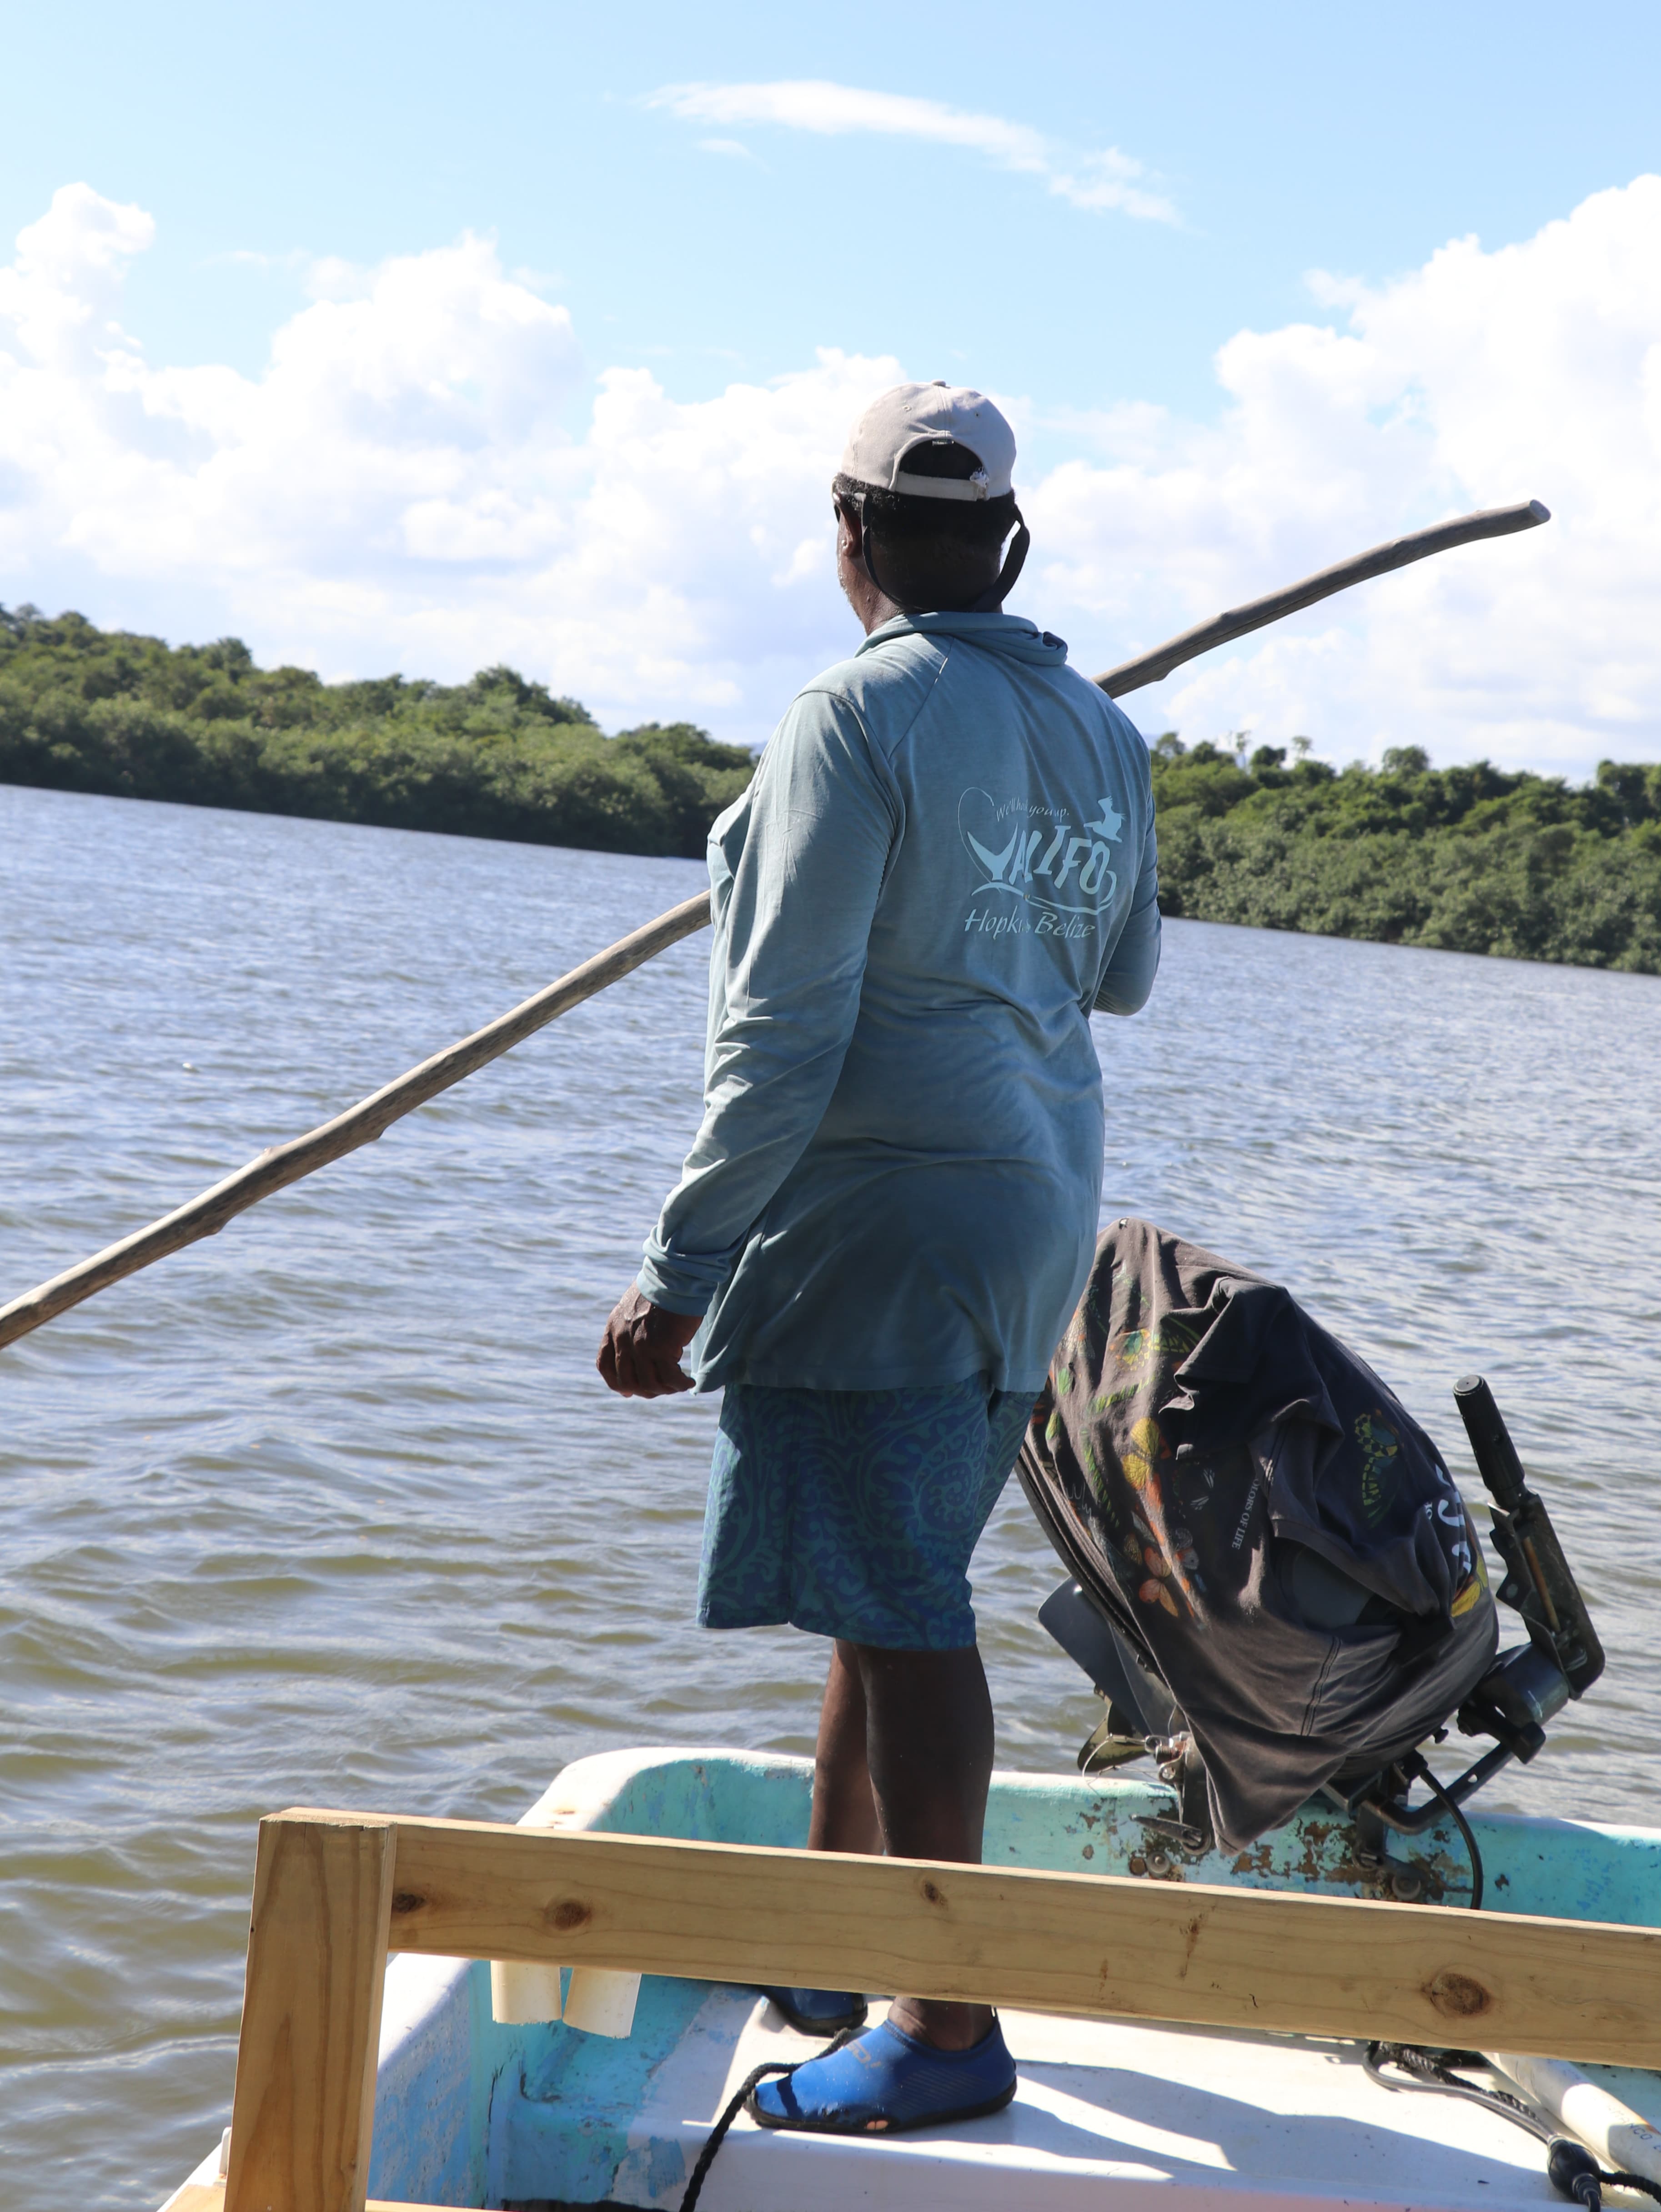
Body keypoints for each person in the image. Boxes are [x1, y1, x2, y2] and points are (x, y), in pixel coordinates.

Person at [597, 381, 1160, 2137]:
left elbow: (781, 1030)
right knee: (881, 1574)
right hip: (1035, 1215)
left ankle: (943, 2020)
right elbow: (1125, 973)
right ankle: (836, 1949)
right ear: (1010, 539)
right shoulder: (1098, 726)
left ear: (845, 534)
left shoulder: (850, 718)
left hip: (886, 1222)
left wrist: (680, 1270)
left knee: (906, 1615)